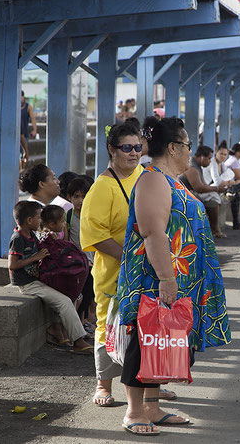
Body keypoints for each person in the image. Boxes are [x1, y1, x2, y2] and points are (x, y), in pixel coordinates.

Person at [117, 116, 231, 435]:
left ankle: (152, 407)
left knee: (163, 342)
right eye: (187, 145)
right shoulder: (154, 180)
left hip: (177, 279)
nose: (189, 152)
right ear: (173, 147)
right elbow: (153, 232)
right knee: (147, 340)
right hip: (155, 278)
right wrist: (167, 278)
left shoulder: (170, 179)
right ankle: (135, 410)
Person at [80, 122, 177, 407]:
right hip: (114, 272)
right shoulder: (102, 187)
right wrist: (131, 255)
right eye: (127, 148)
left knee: (146, 325)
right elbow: (95, 236)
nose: (134, 153)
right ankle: (103, 385)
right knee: (108, 325)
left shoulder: (144, 177)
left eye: (138, 147)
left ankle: (151, 386)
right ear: (112, 149)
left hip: (144, 270)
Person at [8, 201, 93, 355]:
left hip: (36, 279)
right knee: (64, 302)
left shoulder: (31, 234)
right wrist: (35, 257)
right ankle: (79, 341)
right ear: (29, 220)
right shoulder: (17, 238)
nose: (41, 221)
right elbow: (12, 265)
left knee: (69, 293)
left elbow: (41, 241)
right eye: (39, 218)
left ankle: (57, 329)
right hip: (27, 284)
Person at [66, 176, 96, 334]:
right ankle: (80, 323)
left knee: (89, 292)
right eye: (76, 196)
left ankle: (84, 320)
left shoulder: (92, 215)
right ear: (69, 197)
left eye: (84, 196)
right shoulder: (68, 216)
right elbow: (65, 239)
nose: (80, 200)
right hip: (76, 262)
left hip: (91, 262)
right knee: (80, 294)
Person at [180, 145, 228, 238]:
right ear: (202, 157)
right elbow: (199, 188)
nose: (210, 162)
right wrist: (217, 189)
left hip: (192, 193)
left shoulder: (198, 166)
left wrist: (216, 190)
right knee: (213, 200)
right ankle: (214, 228)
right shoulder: (192, 167)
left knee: (214, 197)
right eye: (209, 159)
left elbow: (204, 185)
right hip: (186, 195)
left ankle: (214, 228)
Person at [20, 91, 36, 169]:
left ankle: (23, 169)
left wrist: (35, 130)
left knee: (24, 153)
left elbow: (33, 119)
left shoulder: (28, 107)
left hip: (25, 133)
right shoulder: (14, 107)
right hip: (16, 134)